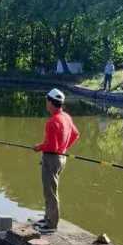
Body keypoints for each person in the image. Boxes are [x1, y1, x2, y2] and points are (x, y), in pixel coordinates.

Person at [33, 88, 80, 233]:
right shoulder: (66, 117)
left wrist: (38, 147)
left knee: (50, 192)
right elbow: (75, 134)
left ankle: (51, 224)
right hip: (61, 158)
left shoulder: (52, 121)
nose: (46, 103)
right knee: (50, 189)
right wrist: (64, 148)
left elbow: (51, 146)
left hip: (51, 159)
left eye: (46, 101)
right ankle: (48, 217)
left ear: (50, 102)